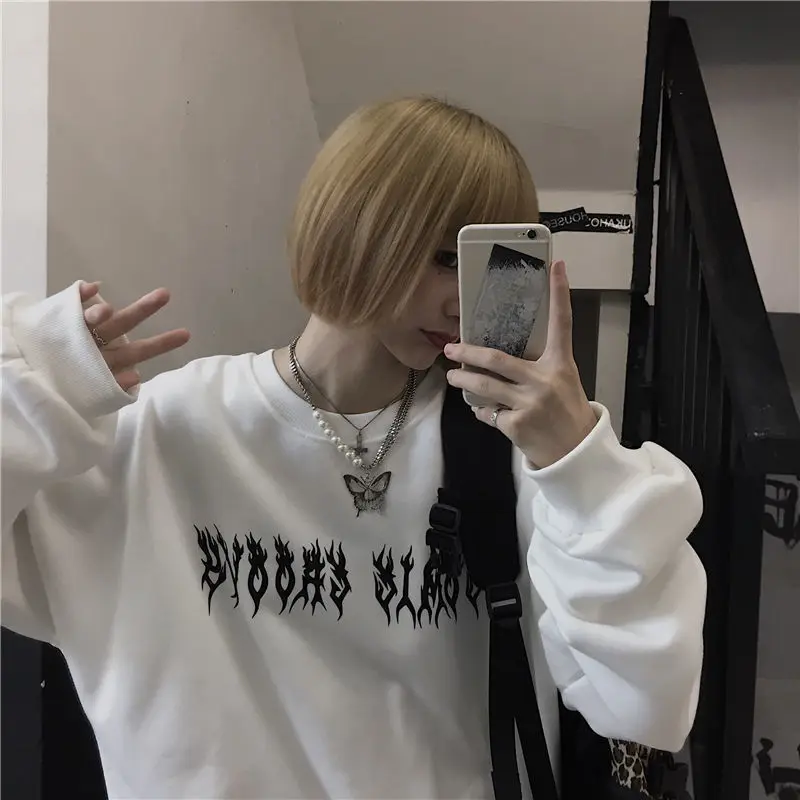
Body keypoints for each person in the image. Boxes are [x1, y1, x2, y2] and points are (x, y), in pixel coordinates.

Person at [2, 96, 706, 799]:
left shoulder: (509, 450)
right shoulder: (164, 434)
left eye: (490, 265)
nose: (463, 300)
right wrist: (38, 385)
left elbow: (645, 705)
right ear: (357, 227)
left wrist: (578, 462)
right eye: (445, 257)